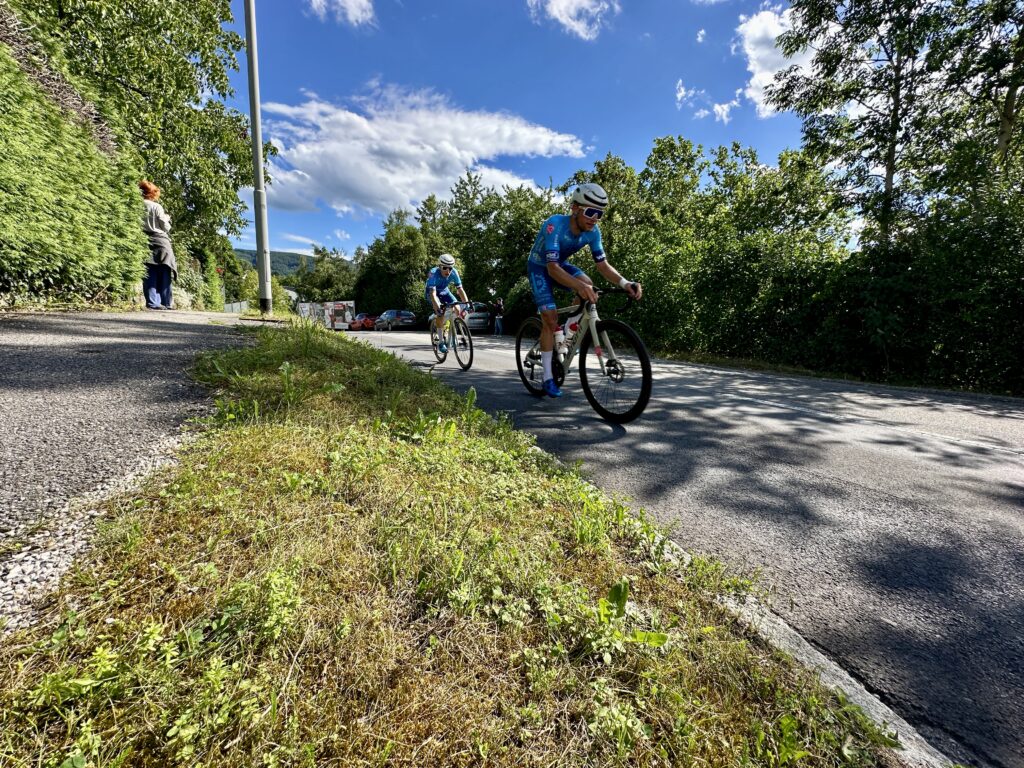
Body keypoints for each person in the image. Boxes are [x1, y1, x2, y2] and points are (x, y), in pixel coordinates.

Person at [526, 182, 642, 397]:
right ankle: (548, 377)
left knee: (588, 284)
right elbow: (551, 269)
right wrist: (579, 286)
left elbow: (603, 266)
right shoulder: (554, 225)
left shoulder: (593, 231)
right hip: (540, 267)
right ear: (575, 208)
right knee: (550, 319)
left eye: (600, 214)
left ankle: (569, 331)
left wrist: (625, 283)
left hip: (559, 265)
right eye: (590, 212)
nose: (594, 218)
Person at [138, 180, 178, 310]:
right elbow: (165, 227)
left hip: (144, 239)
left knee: (149, 271)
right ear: (152, 193)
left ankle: (152, 302)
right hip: (160, 240)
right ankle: (166, 302)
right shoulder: (156, 207)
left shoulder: (137, 205)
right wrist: (167, 218)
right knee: (165, 270)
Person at [425, 253, 470, 354]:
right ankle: (441, 342)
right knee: (440, 313)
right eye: (445, 268)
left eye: (450, 268)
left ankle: (453, 334)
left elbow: (460, 289)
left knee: (457, 309)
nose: (448, 271)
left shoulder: (454, 272)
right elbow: (432, 293)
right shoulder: (433, 273)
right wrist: (438, 308)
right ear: (440, 266)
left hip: (445, 291)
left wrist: (467, 304)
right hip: (432, 292)